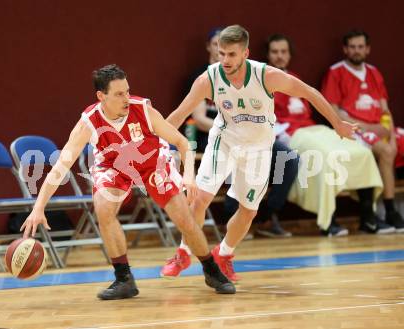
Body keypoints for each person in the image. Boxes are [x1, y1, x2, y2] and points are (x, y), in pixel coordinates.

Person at [20, 64, 235, 300]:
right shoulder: (88, 122)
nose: (127, 98)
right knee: (102, 208)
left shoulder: (143, 110)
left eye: (128, 91)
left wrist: (189, 176)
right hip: (114, 166)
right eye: (119, 94)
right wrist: (38, 207)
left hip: (153, 161)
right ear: (101, 97)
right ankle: (124, 279)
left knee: (184, 219)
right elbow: (61, 166)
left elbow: (182, 142)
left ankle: (211, 269)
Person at [161, 25, 356, 281]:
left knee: (249, 210)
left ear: (245, 53)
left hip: (258, 147)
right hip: (225, 141)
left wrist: (337, 123)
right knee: (199, 199)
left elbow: (310, 92)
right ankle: (184, 253)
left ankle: (225, 253)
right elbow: (178, 114)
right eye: (221, 53)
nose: (225, 60)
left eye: (231, 54)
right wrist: (157, 143)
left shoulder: (266, 75)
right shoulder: (209, 78)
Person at [266, 33, 393, 236]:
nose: (280, 56)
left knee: (359, 150)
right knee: (324, 156)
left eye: (284, 52)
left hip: (312, 128)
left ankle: (368, 217)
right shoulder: (263, 80)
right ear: (268, 55)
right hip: (288, 133)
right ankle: (328, 220)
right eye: (275, 52)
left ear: (290, 55)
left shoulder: (294, 78)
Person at [190, 28, 298, 238]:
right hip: (217, 134)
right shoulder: (204, 77)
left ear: (242, 52)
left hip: (251, 135)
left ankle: (265, 215)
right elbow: (199, 119)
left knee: (289, 158)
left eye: (231, 52)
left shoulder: (253, 74)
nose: (224, 55)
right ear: (211, 47)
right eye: (219, 48)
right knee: (234, 155)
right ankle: (232, 213)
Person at [321, 29, 404, 233]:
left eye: (360, 47)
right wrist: (368, 128)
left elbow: (385, 108)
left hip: (380, 127)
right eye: (352, 47)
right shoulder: (336, 72)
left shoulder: (374, 72)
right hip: (356, 128)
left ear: (367, 49)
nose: (356, 51)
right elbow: (333, 110)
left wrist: (391, 134)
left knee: (391, 147)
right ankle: (391, 210)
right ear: (345, 49)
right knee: (385, 152)